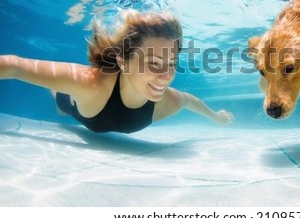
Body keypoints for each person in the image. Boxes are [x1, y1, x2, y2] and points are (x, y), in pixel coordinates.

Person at [0, 9, 233, 133]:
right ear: (122, 61)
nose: (165, 76)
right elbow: (13, 66)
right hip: (72, 100)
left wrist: (216, 116)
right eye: (153, 63)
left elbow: (189, 100)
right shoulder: (90, 82)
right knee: (60, 105)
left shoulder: (167, 101)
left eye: (171, 63)